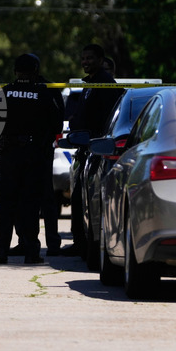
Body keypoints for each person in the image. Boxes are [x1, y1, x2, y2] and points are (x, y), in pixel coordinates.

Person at [0, 54, 64, 265]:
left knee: (5, 206)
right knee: (30, 205)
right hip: (34, 156)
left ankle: (1, 252)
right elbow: (57, 125)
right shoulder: (44, 92)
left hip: (9, 156)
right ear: (36, 70)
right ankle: (31, 253)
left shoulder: (5, 92)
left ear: (15, 71)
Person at [64, 44, 121, 257]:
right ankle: (80, 243)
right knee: (79, 199)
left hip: (97, 150)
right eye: (83, 58)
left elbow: (103, 119)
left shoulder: (105, 84)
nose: (85, 62)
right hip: (84, 149)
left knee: (89, 200)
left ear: (100, 59)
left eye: (89, 58)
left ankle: (89, 245)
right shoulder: (91, 83)